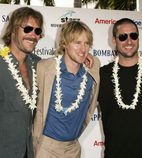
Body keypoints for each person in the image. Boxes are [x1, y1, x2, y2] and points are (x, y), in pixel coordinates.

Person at [33, 20, 100, 158]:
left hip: (73, 148)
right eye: (77, 42)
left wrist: (86, 56)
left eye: (86, 43)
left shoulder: (93, 69)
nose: (83, 49)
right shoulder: (44, 67)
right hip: (46, 148)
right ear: (64, 43)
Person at [0, 7, 44, 158]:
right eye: (28, 28)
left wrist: (85, 58)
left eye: (37, 31)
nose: (33, 35)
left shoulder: (39, 65)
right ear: (12, 30)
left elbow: (63, 66)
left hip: (30, 152)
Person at [98, 18, 142, 158]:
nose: (129, 41)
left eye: (133, 36)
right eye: (123, 37)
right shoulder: (102, 75)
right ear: (113, 40)